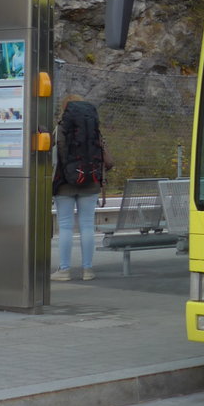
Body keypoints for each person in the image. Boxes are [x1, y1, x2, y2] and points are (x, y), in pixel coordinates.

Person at [51, 94, 113, 282]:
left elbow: (55, 156)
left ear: (65, 108)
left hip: (64, 184)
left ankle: (64, 270)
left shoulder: (60, 128)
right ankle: (88, 270)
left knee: (66, 226)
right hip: (91, 181)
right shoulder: (93, 128)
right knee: (87, 225)